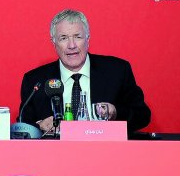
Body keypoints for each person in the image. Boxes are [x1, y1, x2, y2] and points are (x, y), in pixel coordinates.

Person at [19, 9, 151, 133]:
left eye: (77, 37)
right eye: (63, 38)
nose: (72, 45)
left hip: (104, 148)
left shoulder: (117, 71)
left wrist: (115, 112)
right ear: (54, 43)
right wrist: (39, 126)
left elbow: (142, 115)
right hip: (55, 149)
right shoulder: (35, 80)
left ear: (88, 39)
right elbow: (22, 126)